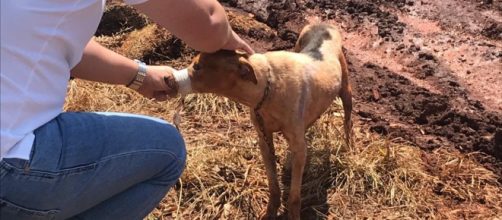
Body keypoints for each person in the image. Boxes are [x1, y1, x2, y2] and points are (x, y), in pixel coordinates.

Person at [0, 0, 254, 219]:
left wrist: (138, 75)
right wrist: (225, 36)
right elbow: (208, 24)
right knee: (166, 151)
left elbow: (62, 41)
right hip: (9, 165)